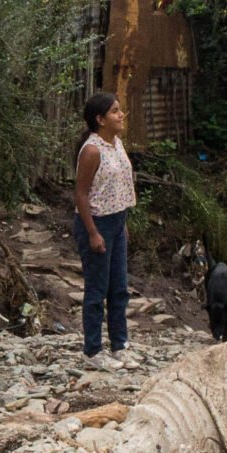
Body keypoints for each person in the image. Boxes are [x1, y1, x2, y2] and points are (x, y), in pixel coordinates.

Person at [72, 91, 134, 364]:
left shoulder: (116, 144)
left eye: (120, 110)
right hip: (96, 222)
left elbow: (119, 187)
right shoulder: (92, 150)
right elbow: (81, 194)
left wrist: (123, 224)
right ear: (100, 119)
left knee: (119, 288)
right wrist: (93, 233)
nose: (121, 115)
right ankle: (93, 351)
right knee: (97, 290)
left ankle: (120, 345)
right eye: (115, 111)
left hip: (117, 221)